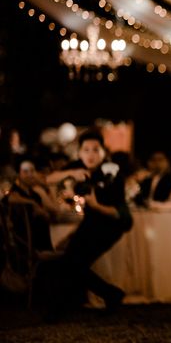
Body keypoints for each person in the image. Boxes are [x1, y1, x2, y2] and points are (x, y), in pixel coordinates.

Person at [46, 129, 132, 319]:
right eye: (86, 150)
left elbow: (118, 211)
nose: (90, 154)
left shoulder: (112, 171)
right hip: (91, 222)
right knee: (72, 263)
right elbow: (47, 179)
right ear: (79, 153)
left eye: (95, 149)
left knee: (73, 263)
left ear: (103, 152)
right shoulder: (78, 166)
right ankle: (111, 294)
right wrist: (71, 173)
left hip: (111, 224)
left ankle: (59, 309)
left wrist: (96, 205)